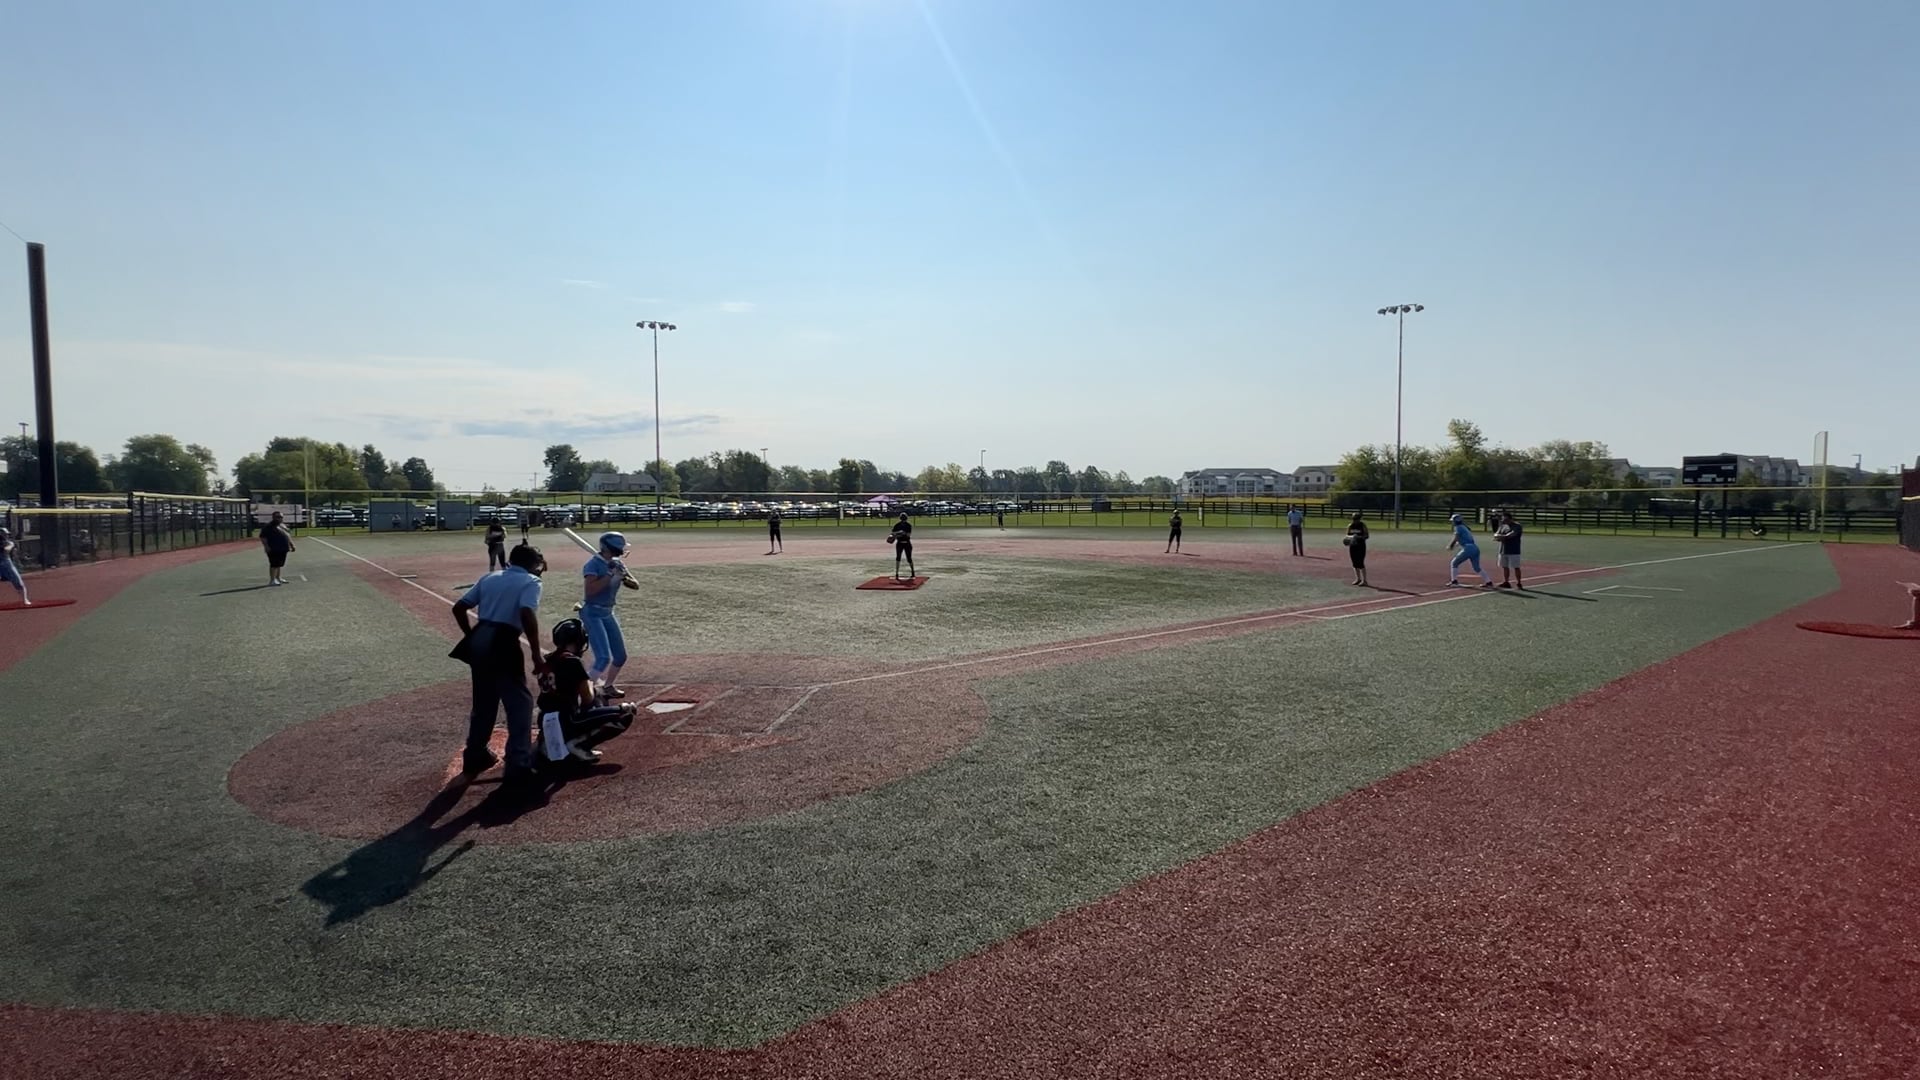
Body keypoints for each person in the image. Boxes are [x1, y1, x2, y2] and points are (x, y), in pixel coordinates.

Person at [450, 542, 549, 785]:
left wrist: (470, 634)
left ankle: (475, 755)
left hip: (480, 638)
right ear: (534, 564)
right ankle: (518, 763)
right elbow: (526, 614)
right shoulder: (531, 582)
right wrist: (536, 654)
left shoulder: (490, 577)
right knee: (520, 703)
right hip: (504, 641)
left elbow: (460, 607)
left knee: (484, 702)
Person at [535, 617, 638, 767]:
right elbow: (587, 699)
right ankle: (578, 744)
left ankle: (548, 742)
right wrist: (590, 684)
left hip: (544, 719)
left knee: (593, 697)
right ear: (579, 640)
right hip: (568, 719)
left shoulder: (547, 661)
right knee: (625, 712)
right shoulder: (572, 661)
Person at [581, 532, 638, 699]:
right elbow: (590, 592)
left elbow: (635, 585)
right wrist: (609, 575)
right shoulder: (593, 565)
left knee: (620, 656)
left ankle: (608, 686)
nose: (622, 550)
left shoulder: (617, 563)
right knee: (603, 658)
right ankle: (579, 693)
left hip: (608, 612)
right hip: (592, 613)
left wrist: (622, 576)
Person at [1446, 513, 1494, 588]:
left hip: (1468, 549)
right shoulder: (1464, 527)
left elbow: (1456, 538)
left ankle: (1454, 581)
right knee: (1476, 567)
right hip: (1474, 548)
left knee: (1454, 563)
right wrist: (1455, 545)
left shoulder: (1458, 527)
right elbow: (1462, 539)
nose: (1452, 522)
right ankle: (1488, 582)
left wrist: (1451, 545)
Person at [261, 511, 296, 587]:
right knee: (274, 564)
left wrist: (292, 545)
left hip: (283, 547)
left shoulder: (282, 525)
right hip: (273, 548)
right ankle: (272, 580)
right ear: (273, 517)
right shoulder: (268, 526)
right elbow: (263, 537)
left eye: (281, 517)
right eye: (278, 517)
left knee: (279, 564)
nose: (280, 518)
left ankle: (278, 578)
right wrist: (266, 546)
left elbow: (287, 535)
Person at [1494, 511, 1525, 590]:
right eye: (1504, 519)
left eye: (1506, 519)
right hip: (1503, 550)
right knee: (1505, 566)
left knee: (1516, 567)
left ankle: (1519, 583)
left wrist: (1502, 537)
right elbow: (1496, 534)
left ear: (1511, 519)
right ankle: (1506, 582)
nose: (1505, 521)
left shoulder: (1517, 526)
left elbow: (1512, 534)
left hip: (1514, 550)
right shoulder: (1502, 526)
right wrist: (1499, 536)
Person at [0, 526, 28, 606]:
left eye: (7, 534)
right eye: (4, 534)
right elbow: (6, 549)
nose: (6, 536)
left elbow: (7, 549)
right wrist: (11, 545)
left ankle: (25, 600)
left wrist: (11, 545)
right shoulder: (6, 543)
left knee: (18, 582)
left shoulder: (8, 542)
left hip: (6, 562)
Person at [1344, 512, 1370, 587]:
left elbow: (1367, 535)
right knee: (1354, 563)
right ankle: (1358, 579)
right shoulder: (1350, 526)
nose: (1355, 520)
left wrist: (1359, 537)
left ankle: (1364, 580)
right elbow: (1347, 535)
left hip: (1361, 546)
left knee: (1360, 562)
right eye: (1354, 519)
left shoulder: (1362, 525)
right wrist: (1351, 538)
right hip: (1353, 546)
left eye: (1357, 519)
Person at [889, 512, 916, 579]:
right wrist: (899, 533)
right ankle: (898, 573)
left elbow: (908, 535)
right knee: (900, 558)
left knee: (907, 558)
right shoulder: (898, 525)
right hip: (901, 543)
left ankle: (911, 572)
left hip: (905, 543)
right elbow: (892, 533)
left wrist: (899, 534)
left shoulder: (907, 525)